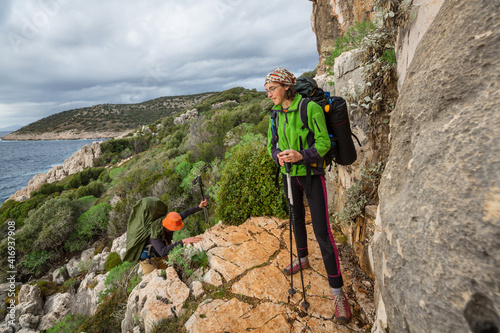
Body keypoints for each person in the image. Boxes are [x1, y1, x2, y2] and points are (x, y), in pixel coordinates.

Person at [265, 68, 351, 324]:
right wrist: (278, 157)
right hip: (289, 175)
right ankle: (302, 258)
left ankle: (338, 294)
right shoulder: (275, 115)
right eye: (267, 90)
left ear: (286, 87)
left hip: (312, 175)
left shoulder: (310, 109)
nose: (269, 95)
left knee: (323, 233)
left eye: (272, 89)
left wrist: (301, 155)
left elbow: (323, 143)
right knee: (296, 219)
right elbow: (271, 145)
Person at [123, 196, 206, 275]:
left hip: (161, 258)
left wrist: (199, 207)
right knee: (153, 282)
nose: (175, 229)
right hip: (148, 260)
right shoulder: (155, 233)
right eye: (173, 228)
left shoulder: (171, 219)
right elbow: (163, 251)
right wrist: (183, 241)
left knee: (168, 277)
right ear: (168, 226)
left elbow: (186, 213)